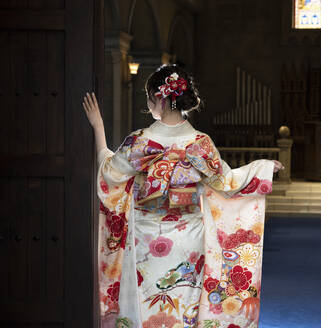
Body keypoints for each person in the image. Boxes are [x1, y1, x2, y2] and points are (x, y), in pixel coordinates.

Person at [83, 64, 284, 328]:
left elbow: (109, 176)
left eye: (148, 98)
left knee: (146, 305)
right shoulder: (201, 143)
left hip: (146, 240)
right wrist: (263, 168)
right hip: (190, 239)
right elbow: (228, 182)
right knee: (185, 310)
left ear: (158, 97)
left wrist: (98, 127)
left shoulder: (139, 142)